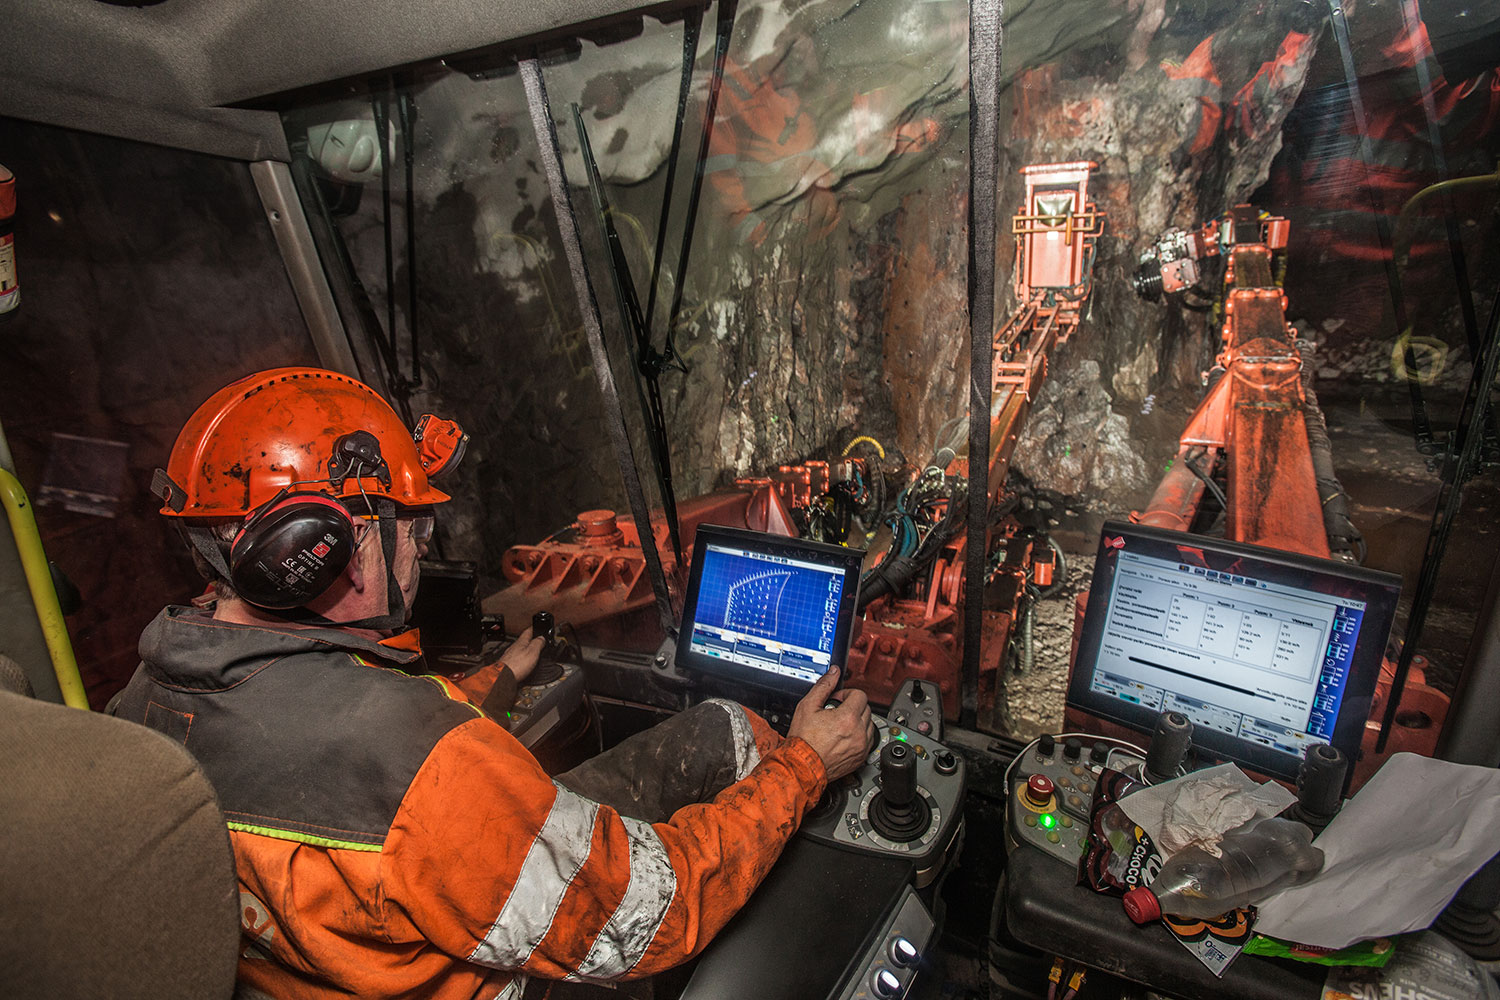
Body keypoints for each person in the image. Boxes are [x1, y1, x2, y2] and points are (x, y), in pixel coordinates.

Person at [110, 367, 873, 1000]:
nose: (418, 549)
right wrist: (805, 765)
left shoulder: (136, 708)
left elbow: (328, 740)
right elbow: (654, 915)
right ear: (321, 550)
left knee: (722, 725)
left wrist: (498, 679)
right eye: (412, 526)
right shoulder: (423, 765)